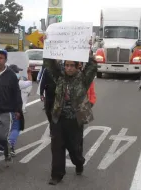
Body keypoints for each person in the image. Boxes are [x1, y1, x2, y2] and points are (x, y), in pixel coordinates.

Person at [43, 39, 97, 185]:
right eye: (67, 65)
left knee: (74, 148)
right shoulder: (59, 77)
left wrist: (88, 48)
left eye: (72, 65)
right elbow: (49, 65)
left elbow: (92, 66)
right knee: (57, 146)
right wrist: (47, 45)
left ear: (77, 66)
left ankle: (79, 163)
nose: (69, 68)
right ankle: (57, 175)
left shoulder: (83, 78)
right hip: (58, 118)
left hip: (75, 119)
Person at [7, 64, 32, 156]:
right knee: (15, 127)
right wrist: (29, 73)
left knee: (4, 128)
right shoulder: (19, 83)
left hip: (3, 109)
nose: (18, 73)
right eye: (17, 72)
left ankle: (2, 145)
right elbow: (29, 82)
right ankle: (11, 144)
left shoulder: (2, 81)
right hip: (15, 108)